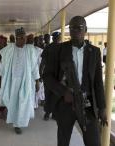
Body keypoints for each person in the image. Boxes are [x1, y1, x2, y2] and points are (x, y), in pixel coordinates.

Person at [43, 16, 107, 146]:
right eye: (72, 28)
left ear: (85, 30)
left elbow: (98, 82)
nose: (75, 31)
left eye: (79, 28)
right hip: (65, 105)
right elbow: (47, 76)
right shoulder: (58, 50)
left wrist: (102, 107)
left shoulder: (94, 51)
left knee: (94, 141)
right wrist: (63, 92)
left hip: (87, 104)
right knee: (63, 141)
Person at [0, 27, 40, 134]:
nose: (24, 40)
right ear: (16, 38)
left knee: (23, 102)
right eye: (21, 38)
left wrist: (37, 82)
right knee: (11, 101)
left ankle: (18, 124)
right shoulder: (9, 50)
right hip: (11, 82)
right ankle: (10, 114)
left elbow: (35, 67)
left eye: (24, 38)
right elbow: (2, 66)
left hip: (26, 82)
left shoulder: (30, 50)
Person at [42, 31, 61, 120]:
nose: (59, 39)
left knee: (50, 94)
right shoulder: (61, 47)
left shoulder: (48, 47)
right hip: (54, 75)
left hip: (51, 74)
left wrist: (40, 72)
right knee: (54, 94)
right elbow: (43, 61)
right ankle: (50, 113)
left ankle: (49, 113)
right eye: (58, 37)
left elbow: (43, 62)